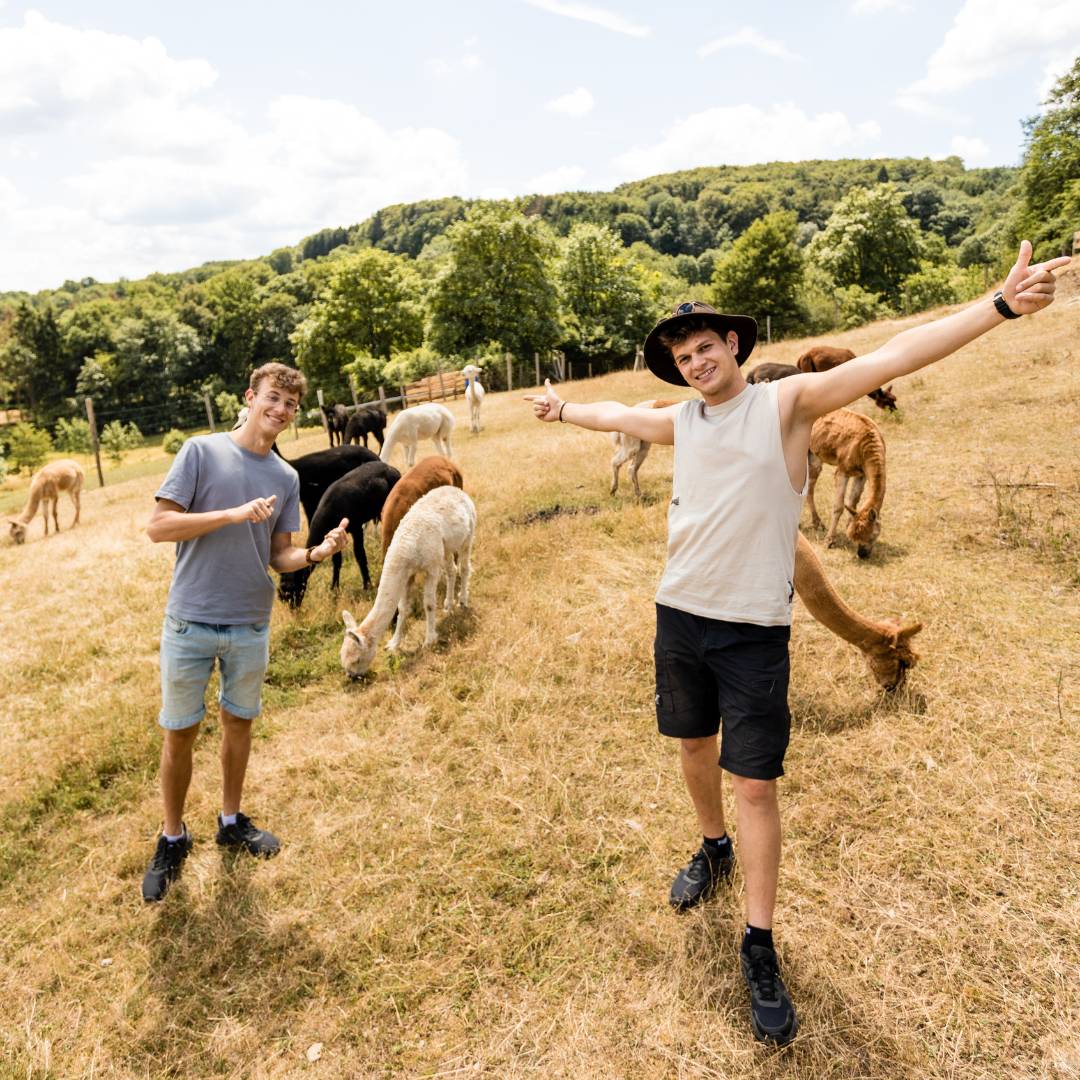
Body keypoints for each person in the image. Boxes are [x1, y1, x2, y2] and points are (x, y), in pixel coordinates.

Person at [525, 241, 1068, 1044]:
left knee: (755, 787)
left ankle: (759, 942)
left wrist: (996, 307)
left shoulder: (786, 406)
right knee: (693, 748)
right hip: (679, 616)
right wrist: (563, 409)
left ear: (732, 345)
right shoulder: (680, 421)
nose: (696, 361)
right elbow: (614, 414)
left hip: (752, 632)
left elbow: (894, 355)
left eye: (705, 346)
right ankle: (712, 848)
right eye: (683, 356)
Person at [141, 362, 350, 903]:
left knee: (238, 724)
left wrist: (315, 553)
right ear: (250, 397)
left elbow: (280, 554)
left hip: (250, 623)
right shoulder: (201, 452)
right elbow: (159, 527)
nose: (281, 410)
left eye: (290, 404)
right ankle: (172, 836)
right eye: (273, 398)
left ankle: (230, 822)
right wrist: (231, 514)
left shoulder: (284, 477)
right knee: (180, 731)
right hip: (190, 619)